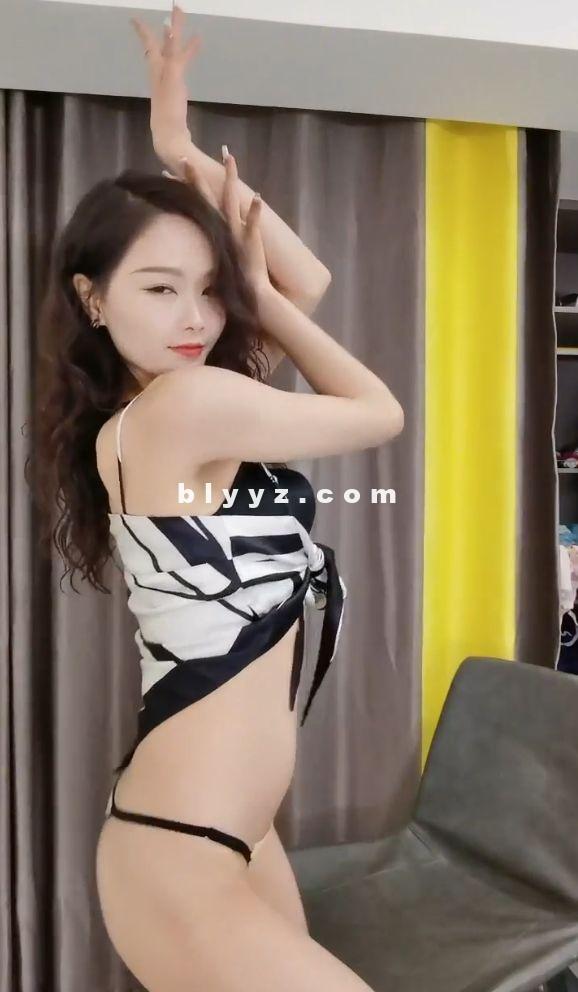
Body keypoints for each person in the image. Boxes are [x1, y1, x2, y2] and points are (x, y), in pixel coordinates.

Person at [30, 6, 404, 990]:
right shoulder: (189, 406)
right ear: (92, 298)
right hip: (182, 854)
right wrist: (254, 290)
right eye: (160, 289)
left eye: (210, 288)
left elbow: (309, 278)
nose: (197, 316)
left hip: (223, 834)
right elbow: (378, 412)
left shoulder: (158, 409)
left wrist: (180, 150)